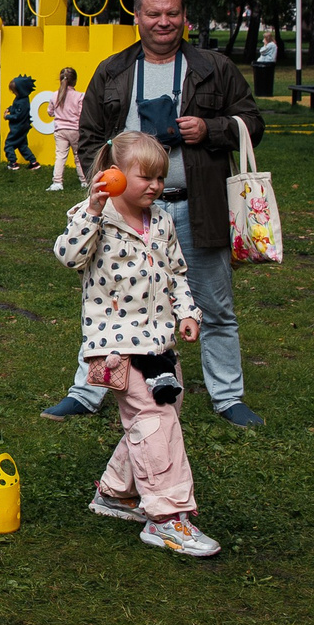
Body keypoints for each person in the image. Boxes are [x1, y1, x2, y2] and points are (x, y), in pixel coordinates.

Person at [45, 0, 266, 429]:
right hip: (126, 215)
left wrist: (211, 130)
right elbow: (88, 137)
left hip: (198, 205)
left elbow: (253, 121)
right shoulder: (113, 70)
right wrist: (109, 184)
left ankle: (227, 396)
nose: (163, 22)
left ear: (185, 16)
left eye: (172, 13)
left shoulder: (214, 67)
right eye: (153, 13)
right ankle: (88, 391)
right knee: (110, 303)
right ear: (137, 18)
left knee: (215, 305)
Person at [54, 130, 217, 557]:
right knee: (152, 421)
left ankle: (116, 492)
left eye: (160, 178)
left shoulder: (160, 220)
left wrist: (187, 313)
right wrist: (92, 207)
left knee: (163, 414)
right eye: (145, 177)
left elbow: (176, 273)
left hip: (159, 343)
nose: (156, 187)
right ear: (115, 175)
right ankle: (166, 518)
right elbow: (68, 256)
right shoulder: (95, 216)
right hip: (116, 344)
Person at [45, 66, 84, 190]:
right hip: (75, 130)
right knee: (78, 156)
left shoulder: (54, 95)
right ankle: (84, 180)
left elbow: (50, 112)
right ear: (75, 81)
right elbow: (81, 113)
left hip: (60, 130)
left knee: (60, 156)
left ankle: (57, 182)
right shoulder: (80, 96)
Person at [2, 71, 39, 170]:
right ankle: (33, 162)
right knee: (22, 145)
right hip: (22, 127)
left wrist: (8, 117)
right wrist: (9, 108)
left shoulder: (23, 102)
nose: (14, 93)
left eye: (14, 91)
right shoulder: (20, 99)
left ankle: (13, 162)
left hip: (18, 128)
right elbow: (15, 108)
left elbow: (17, 115)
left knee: (8, 144)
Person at [253, 31, 280, 101]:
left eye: (264, 39)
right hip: (267, 62)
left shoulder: (271, 45)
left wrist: (265, 45)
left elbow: (262, 51)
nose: (263, 41)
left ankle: (262, 92)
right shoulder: (272, 45)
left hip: (267, 62)